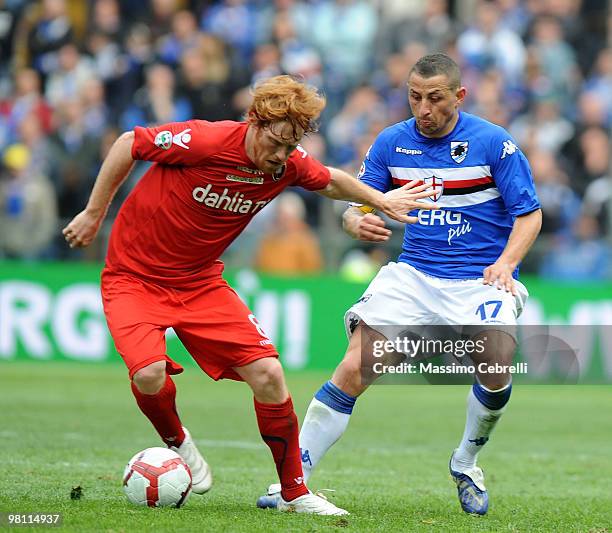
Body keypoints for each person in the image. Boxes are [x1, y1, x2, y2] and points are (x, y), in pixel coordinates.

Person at [62, 75, 436, 516]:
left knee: (270, 375)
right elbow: (129, 142)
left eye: (289, 147)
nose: (280, 157)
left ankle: (295, 493)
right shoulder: (205, 140)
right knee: (148, 374)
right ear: (255, 123)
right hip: (134, 277)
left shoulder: (285, 164)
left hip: (200, 283)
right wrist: (93, 212)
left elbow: (331, 181)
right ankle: (177, 441)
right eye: (276, 143)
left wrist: (381, 200)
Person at [256, 55, 542, 515]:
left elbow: (530, 213)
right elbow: (358, 206)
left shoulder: (494, 143)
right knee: (354, 366)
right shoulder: (391, 143)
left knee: (497, 363)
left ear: (459, 97)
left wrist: (507, 263)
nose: (423, 109)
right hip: (413, 276)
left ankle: (466, 462)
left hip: (480, 278)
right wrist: (355, 223)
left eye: (434, 98)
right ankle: (292, 482)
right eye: (414, 97)